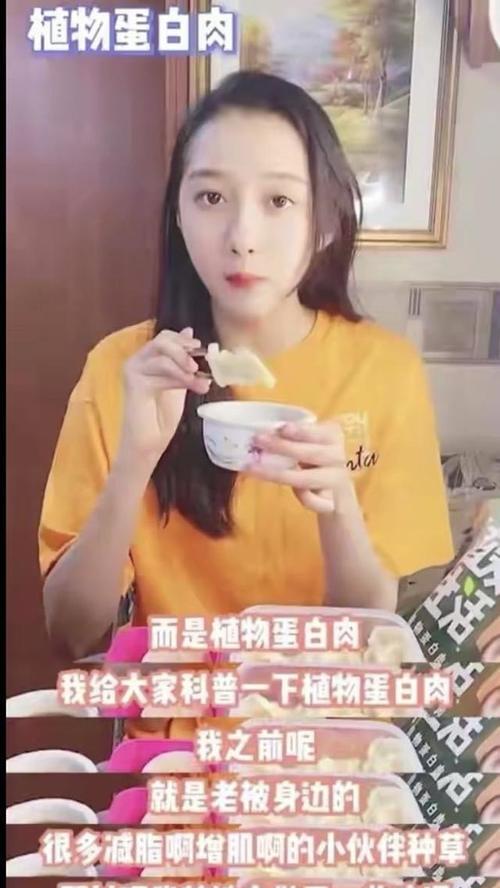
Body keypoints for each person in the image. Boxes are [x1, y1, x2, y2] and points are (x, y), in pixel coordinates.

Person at [39, 70, 453, 664]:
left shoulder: (386, 371)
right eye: (211, 198)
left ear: (326, 222)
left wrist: (337, 505)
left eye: (279, 201)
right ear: (178, 214)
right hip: (175, 711)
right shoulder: (121, 371)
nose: (242, 237)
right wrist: (134, 461)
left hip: (318, 712)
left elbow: (369, 632)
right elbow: (72, 631)